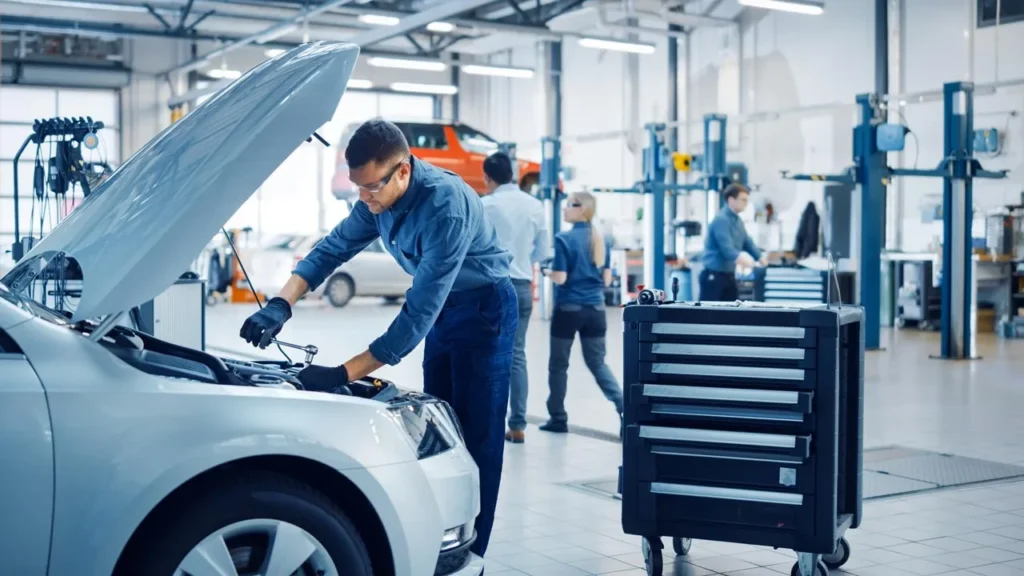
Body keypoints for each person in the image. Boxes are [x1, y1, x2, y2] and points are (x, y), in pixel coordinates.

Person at [238, 119, 516, 558]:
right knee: (441, 429)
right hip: (447, 309)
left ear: (402, 171)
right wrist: (281, 304)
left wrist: (341, 374)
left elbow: (416, 316)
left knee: (479, 439)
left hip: (485, 311)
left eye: (371, 188)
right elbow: (333, 249)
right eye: (358, 189)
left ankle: (472, 556)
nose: (365, 200)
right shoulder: (377, 199)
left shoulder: (446, 206)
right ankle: (445, 544)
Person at [538, 191, 624, 435]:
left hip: (568, 309)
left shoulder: (564, 238)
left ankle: (558, 417)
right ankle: (623, 406)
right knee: (597, 363)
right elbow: (607, 278)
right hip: (596, 310)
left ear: (582, 209)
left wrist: (545, 272)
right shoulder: (601, 239)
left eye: (569, 205)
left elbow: (561, 277)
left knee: (558, 365)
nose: (565, 209)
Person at [478, 151, 548, 444]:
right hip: (521, 286)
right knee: (516, 355)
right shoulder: (534, 206)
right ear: (515, 175)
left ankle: (487, 422)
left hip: (491, 286)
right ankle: (517, 425)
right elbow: (541, 253)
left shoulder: (484, 205)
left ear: (487, 177)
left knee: (484, 354)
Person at [699, 183, 766, 301]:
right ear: (731, 200)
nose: (746, 203)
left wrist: (760, 258)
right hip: (714, 277)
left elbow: (747, 242)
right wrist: (747, 262)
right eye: (743, 200)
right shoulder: (721, 220)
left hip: (729, 275)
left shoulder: (737, 220)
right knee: (709, 315)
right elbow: (727, 249)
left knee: (730, 313)